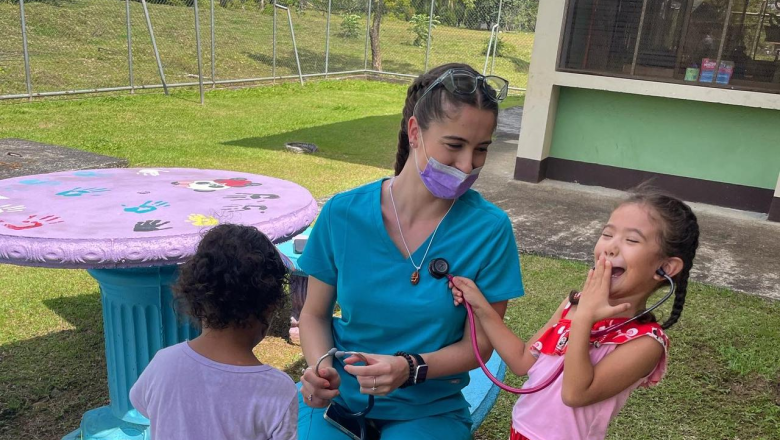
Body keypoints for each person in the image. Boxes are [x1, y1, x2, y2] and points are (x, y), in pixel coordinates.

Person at [296, 63, 525, 439]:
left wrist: (410, 367)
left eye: (481, 149)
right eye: (454, 146)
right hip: (340, 404)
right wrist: (320, 368)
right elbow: (315, 314)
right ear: (415, 132)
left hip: (428, 410)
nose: (468, 165)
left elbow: (480, 344)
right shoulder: (343, 213)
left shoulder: (490, 229)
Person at [450, 188, 700, 440]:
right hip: (520, 432)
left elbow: (575, 394)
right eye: (607, 234)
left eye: (632, 240)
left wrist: (583, 319)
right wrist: (480, 305)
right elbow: (522, 361)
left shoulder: (645, 343)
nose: (611, 247)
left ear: (666, 267)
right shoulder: (573, 305)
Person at [129, 224, 298, 440]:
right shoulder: (278, 390)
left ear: (196, 296)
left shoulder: (163, 364)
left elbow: (144, 406)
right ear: (270, 307)